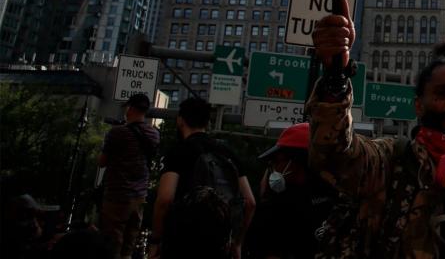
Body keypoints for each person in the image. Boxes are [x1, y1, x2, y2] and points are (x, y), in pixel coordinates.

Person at [309, 0, 445, 259]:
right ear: (419, 106)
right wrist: (335, 78)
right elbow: (334, 154)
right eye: (443, 93)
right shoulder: (389, 161)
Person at [150, 96, 256, 259]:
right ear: (207, 123)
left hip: (181, 241)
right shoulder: (227, 153)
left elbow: (165, 199)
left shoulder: (179, 151)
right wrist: (237, 242)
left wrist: (156, 241)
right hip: (219, 243)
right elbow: (250, 202)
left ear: (180, 120)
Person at [244, 122, 340, 259]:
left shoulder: (278, 210)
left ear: (297, 162)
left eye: (277, 161)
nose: (273, 168)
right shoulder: (342, 203)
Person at [98, 92, 160, 259]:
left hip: (116, 195)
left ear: (130, 109)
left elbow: (102, 161)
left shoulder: (117, 133)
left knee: (112, 246)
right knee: (129, 246)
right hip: (139, 197)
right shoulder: (154, 134)